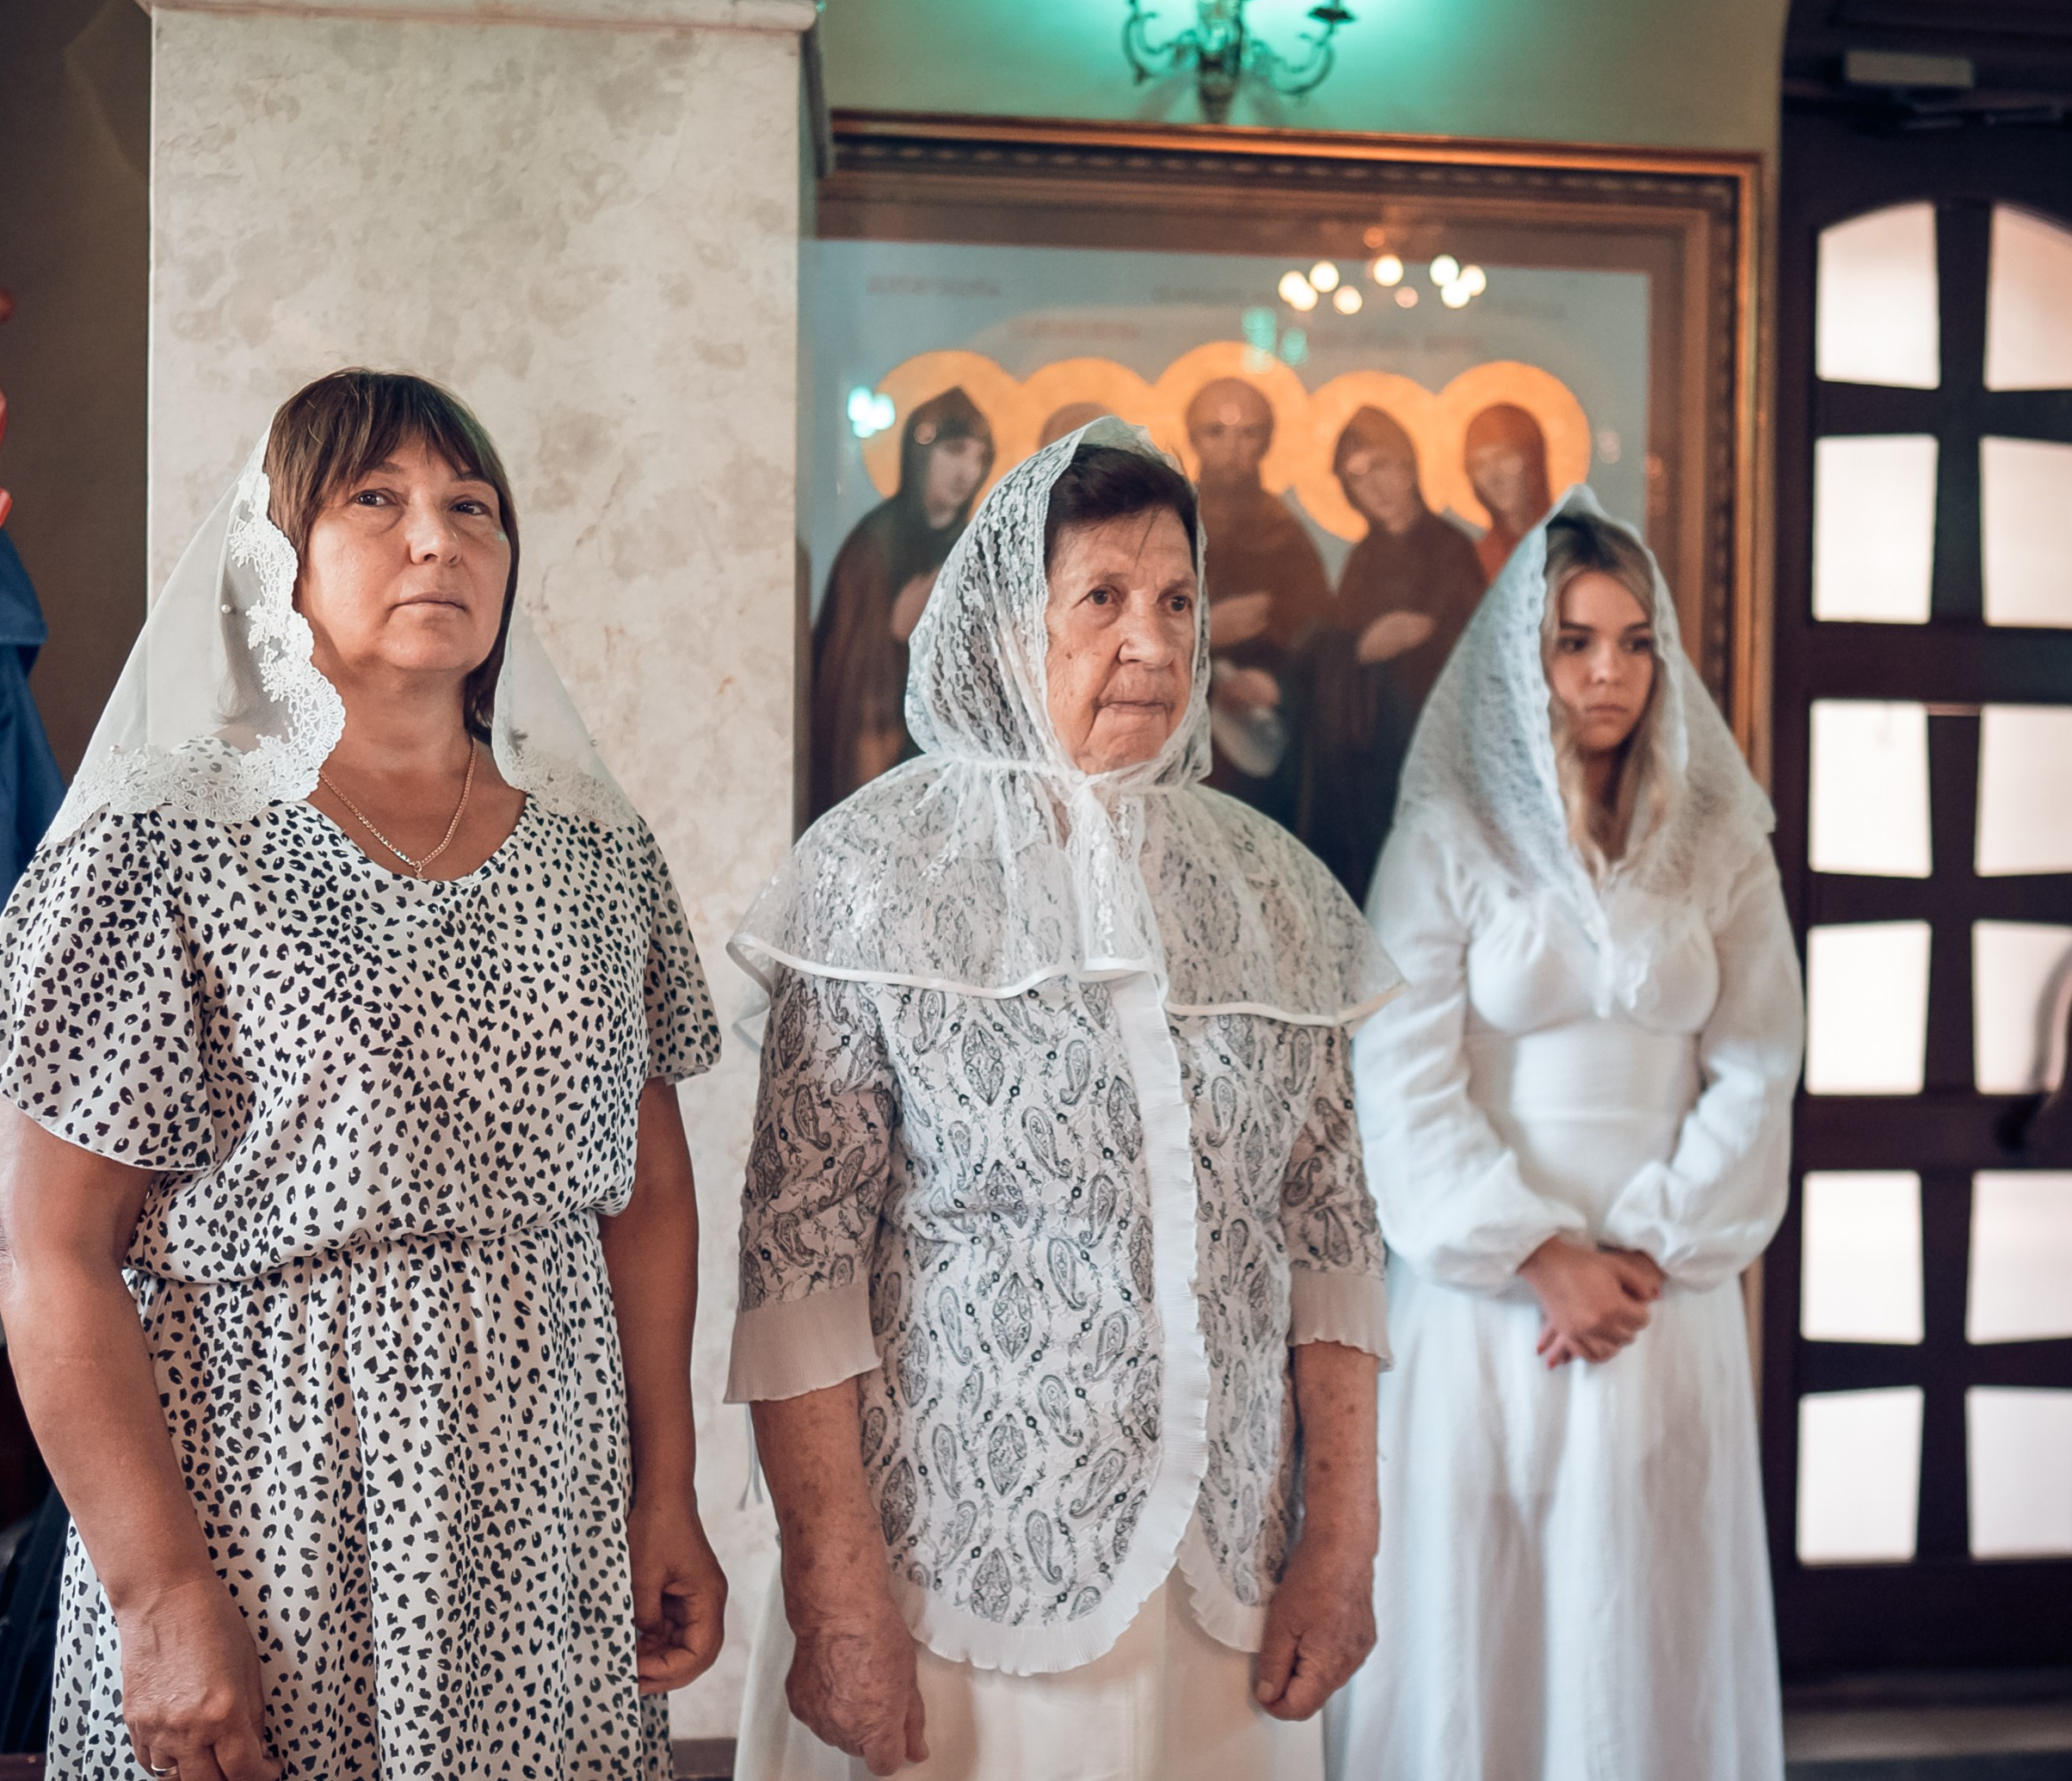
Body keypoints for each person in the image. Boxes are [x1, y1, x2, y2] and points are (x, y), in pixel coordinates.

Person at [0, 370, 728, 1781]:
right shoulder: (161, 848)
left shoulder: (596, 852)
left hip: (544, 1509)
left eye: (473, 508)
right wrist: (157, 1595)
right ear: (278, 554)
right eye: (374, 500)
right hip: (261, 1506)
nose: (437, 540)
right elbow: (46, 1242)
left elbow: (652, 1195)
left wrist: (667, 1488)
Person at [725, 422, 1404, 1781]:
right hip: (955, 1577)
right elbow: (799, 1259)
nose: (1151, 644)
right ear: (1003, 621)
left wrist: (1342, 1538)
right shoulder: (876, 873)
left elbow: (1329, 1237)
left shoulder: (1270, 892)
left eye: (1177, 602)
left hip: (1220, 1573)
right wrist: (834, 1586)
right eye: (1102, 599)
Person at [1323, 489, 1802, 1781]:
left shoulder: (1722, 846)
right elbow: (1400, 1072)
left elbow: (1760, 1059)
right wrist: (1543, 1255)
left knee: (1648, 1611)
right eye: (1577, 641)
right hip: (1489, 1305)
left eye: (1636, 641)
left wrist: (1641, 1252)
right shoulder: (1450, 836)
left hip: (1664, 1300)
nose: (1610, 672)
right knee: (1487, 1611)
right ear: (1525, 660)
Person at [1298, 404, 1488, 905]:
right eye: (1355, 477)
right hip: (1365, 758)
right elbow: (1340, 649)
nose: (1373, 486)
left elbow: (1476, 653)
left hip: (1430, 748)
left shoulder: (1452, 551)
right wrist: (1360, 649)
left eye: (1380, 465)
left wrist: (1424, 640)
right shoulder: (1362, 560)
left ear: (1408, 466)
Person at [810, 387, 995, 817]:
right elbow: (849, 677)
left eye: (978, 457)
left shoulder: (973, 546)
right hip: (876, 742)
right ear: (920, 455)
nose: (966, 471)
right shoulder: (874, 546)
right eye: (954, 451)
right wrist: (894, 634)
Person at [1184, 376, 1332, 824]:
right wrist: (1206, 630)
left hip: (1261, 747)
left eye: (1249, 433)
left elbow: (1320, 641)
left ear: (1266, 442)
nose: (1232, 447)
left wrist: (1279, 688)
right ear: (1194, 438)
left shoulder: (1286, 535)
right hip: (1178, 735)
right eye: (1216, 431)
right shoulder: (1169, 522)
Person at [1463, 402, 1554, 582]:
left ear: (1532, 459)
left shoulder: (1572, 545)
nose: (1493, 477)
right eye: (1479, 465)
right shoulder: (1475, 562)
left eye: (1504, 457)